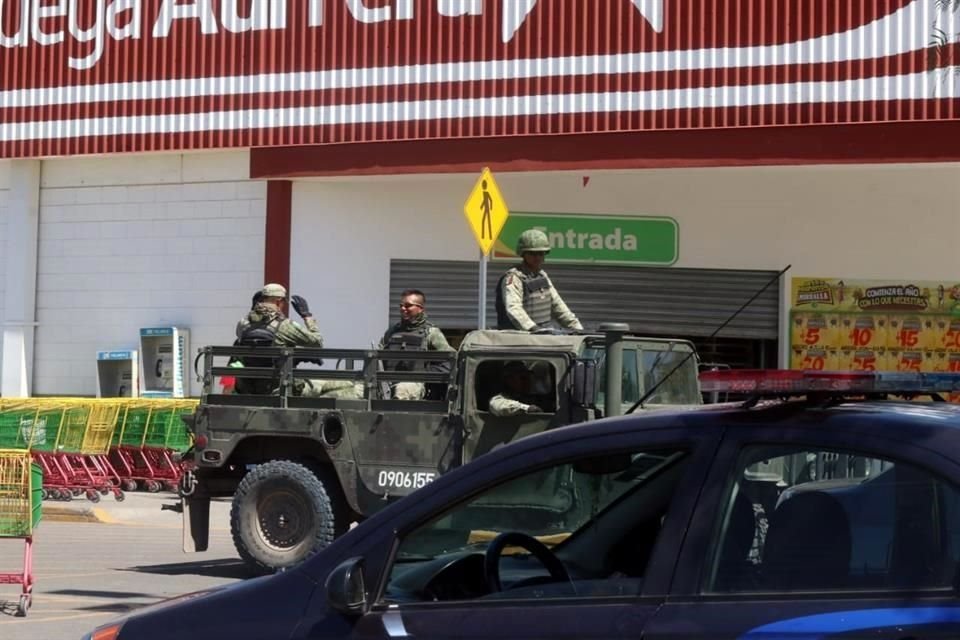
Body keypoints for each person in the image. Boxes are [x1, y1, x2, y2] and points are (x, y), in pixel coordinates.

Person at [233, 283, 323, 394]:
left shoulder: (242, 324)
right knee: (322, 388)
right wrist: (307, 316)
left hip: (248, 387)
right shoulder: (285, 325)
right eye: (284, 302)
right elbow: (317, 342)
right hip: (280, 388)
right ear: (278, 301)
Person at [495, 228, 583, 332]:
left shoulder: (542, 276)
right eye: (532, 254)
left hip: (540, 338)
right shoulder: (514, 278)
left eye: (541, 253)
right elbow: (514, 309)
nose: (537, 257)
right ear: (523, 254)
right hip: (517, 339)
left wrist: (577, 328)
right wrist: (534, 328)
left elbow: (558, 306)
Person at [378, 289, 454, 400]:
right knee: (350, 389)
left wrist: (425, 374)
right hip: (387, 383)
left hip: (416, 386)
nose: (403, 309)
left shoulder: (431, 333)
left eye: (408, 306)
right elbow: (377, 356)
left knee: (402, 390)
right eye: (401, 305)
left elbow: (451, 362)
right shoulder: (392, 332)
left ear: (420, 309)